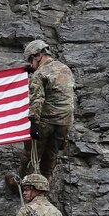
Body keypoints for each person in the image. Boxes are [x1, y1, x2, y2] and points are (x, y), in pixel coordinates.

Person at [9, 39, 75, 187]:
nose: (31, 63)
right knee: (50, 157)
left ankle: (22, 184)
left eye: (31, 59)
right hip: (64, 124)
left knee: (31, 156)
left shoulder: (40, 74)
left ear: (38, 55)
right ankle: (45, 185)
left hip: (45, 123)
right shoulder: (65, 69)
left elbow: (37, 100)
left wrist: (32, 123)